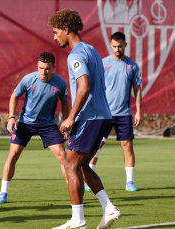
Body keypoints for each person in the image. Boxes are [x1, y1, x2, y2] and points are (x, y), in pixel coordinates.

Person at [49, 9, 121, 229]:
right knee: (82, 167)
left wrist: (71, 118)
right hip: (103, 116)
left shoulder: (76, 55)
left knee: (70, 165)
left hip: (90, 118)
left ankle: (78, 220)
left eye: (56, 31)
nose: (54, 37)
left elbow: (84, 87)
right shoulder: (92, 51)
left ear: (66, 29)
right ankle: (109, 208)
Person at [0, 52, 70, 204]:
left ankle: (73, 189)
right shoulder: (28, 79)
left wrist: (66, 124)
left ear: (53, 67)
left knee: (63, 156)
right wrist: (11, 118)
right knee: (13, 155)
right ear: (37, 66)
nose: (43, 72)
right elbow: (14, 96)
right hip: (25, 123)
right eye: (41, 68)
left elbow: (65, 102)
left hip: (48, 125)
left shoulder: (60, 83)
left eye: (47, 69)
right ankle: (3, 192)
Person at [86, 32, 142, 192]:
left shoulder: (132, 66)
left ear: (125, 45)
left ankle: (129, 182)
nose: (117, 49)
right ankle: (88, 179)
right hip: (104, 113)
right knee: (97, 145)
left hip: (124, 113)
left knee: (128, 146)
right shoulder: (103, 64)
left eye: (120, 46)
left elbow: (137, 90)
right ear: (111, 45)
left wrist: (139, 111)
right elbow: (95, 87)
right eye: (114, 46)